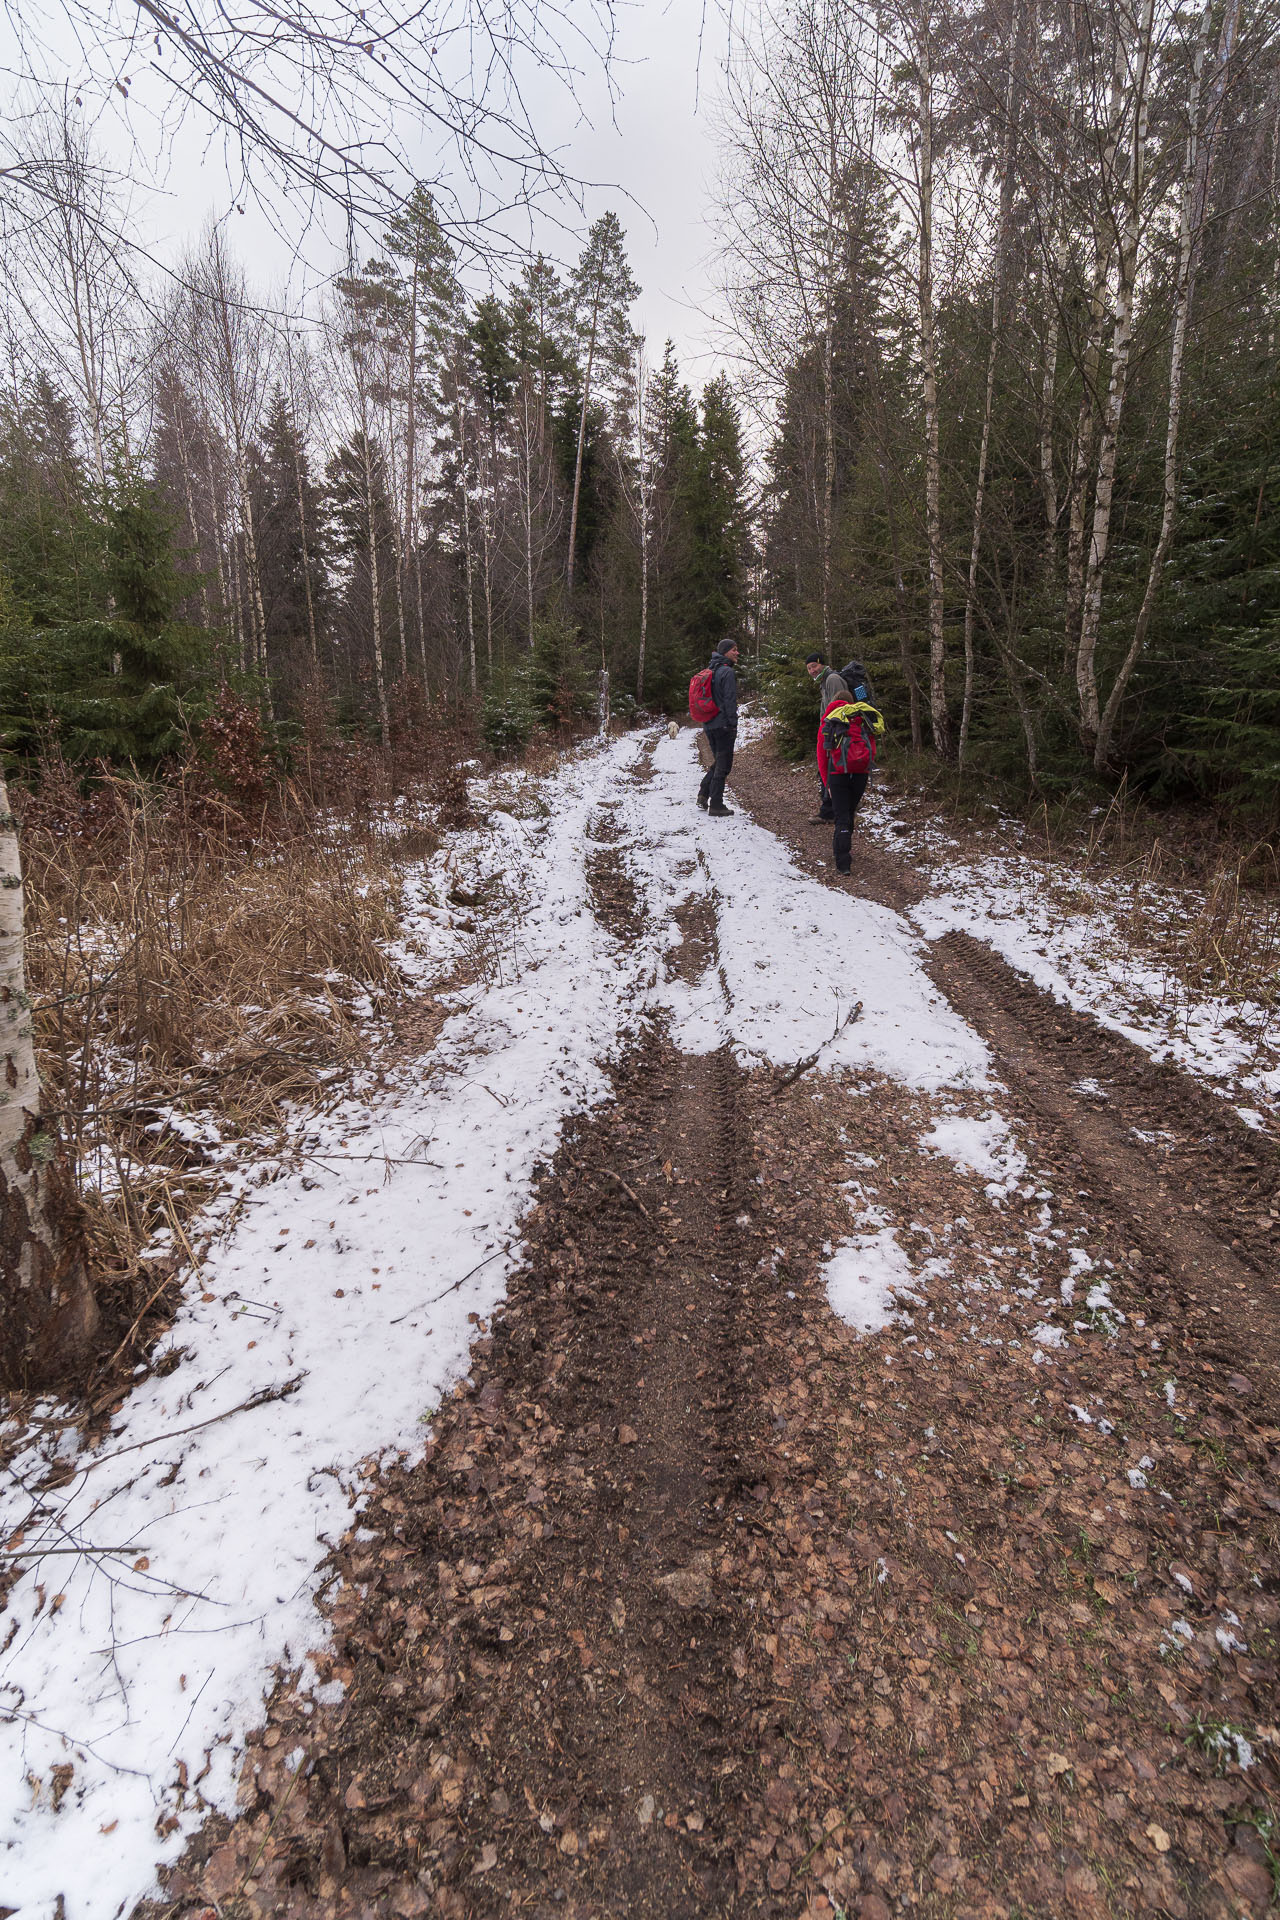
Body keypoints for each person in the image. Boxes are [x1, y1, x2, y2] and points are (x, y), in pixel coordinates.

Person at [815, 687, 883, 875]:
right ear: (851, 703)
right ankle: (845, 847)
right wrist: (865, 769)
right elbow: (872, 748)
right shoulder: (861, 718)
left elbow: (822, 755)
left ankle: (842, 860)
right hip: (860, 772)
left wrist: (826, 782)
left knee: (841, 816)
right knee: (850, 812)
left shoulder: (829, 721)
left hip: (837, 773)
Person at [696, 638, 740, 816]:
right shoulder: (726, 672)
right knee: (724, 765)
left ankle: (704, 793)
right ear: (725, 652)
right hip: (723, 725)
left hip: (709, 724)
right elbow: (729, 700)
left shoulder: (710, 670)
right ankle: (716, 805)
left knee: (719, 762)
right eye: (734, 650)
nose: (737, 653)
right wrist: (733, 723)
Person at [804, 653, 848, 822]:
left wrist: (832, 734)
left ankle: (829, 812)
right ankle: (831, 809)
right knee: (827, 771)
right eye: (809, 668)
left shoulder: (832, 680)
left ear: (822, 664)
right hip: (829, 732)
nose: (812, 670)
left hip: (836, 734)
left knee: (830, 771)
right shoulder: (825, 681)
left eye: (814, 666)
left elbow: (840, 708)